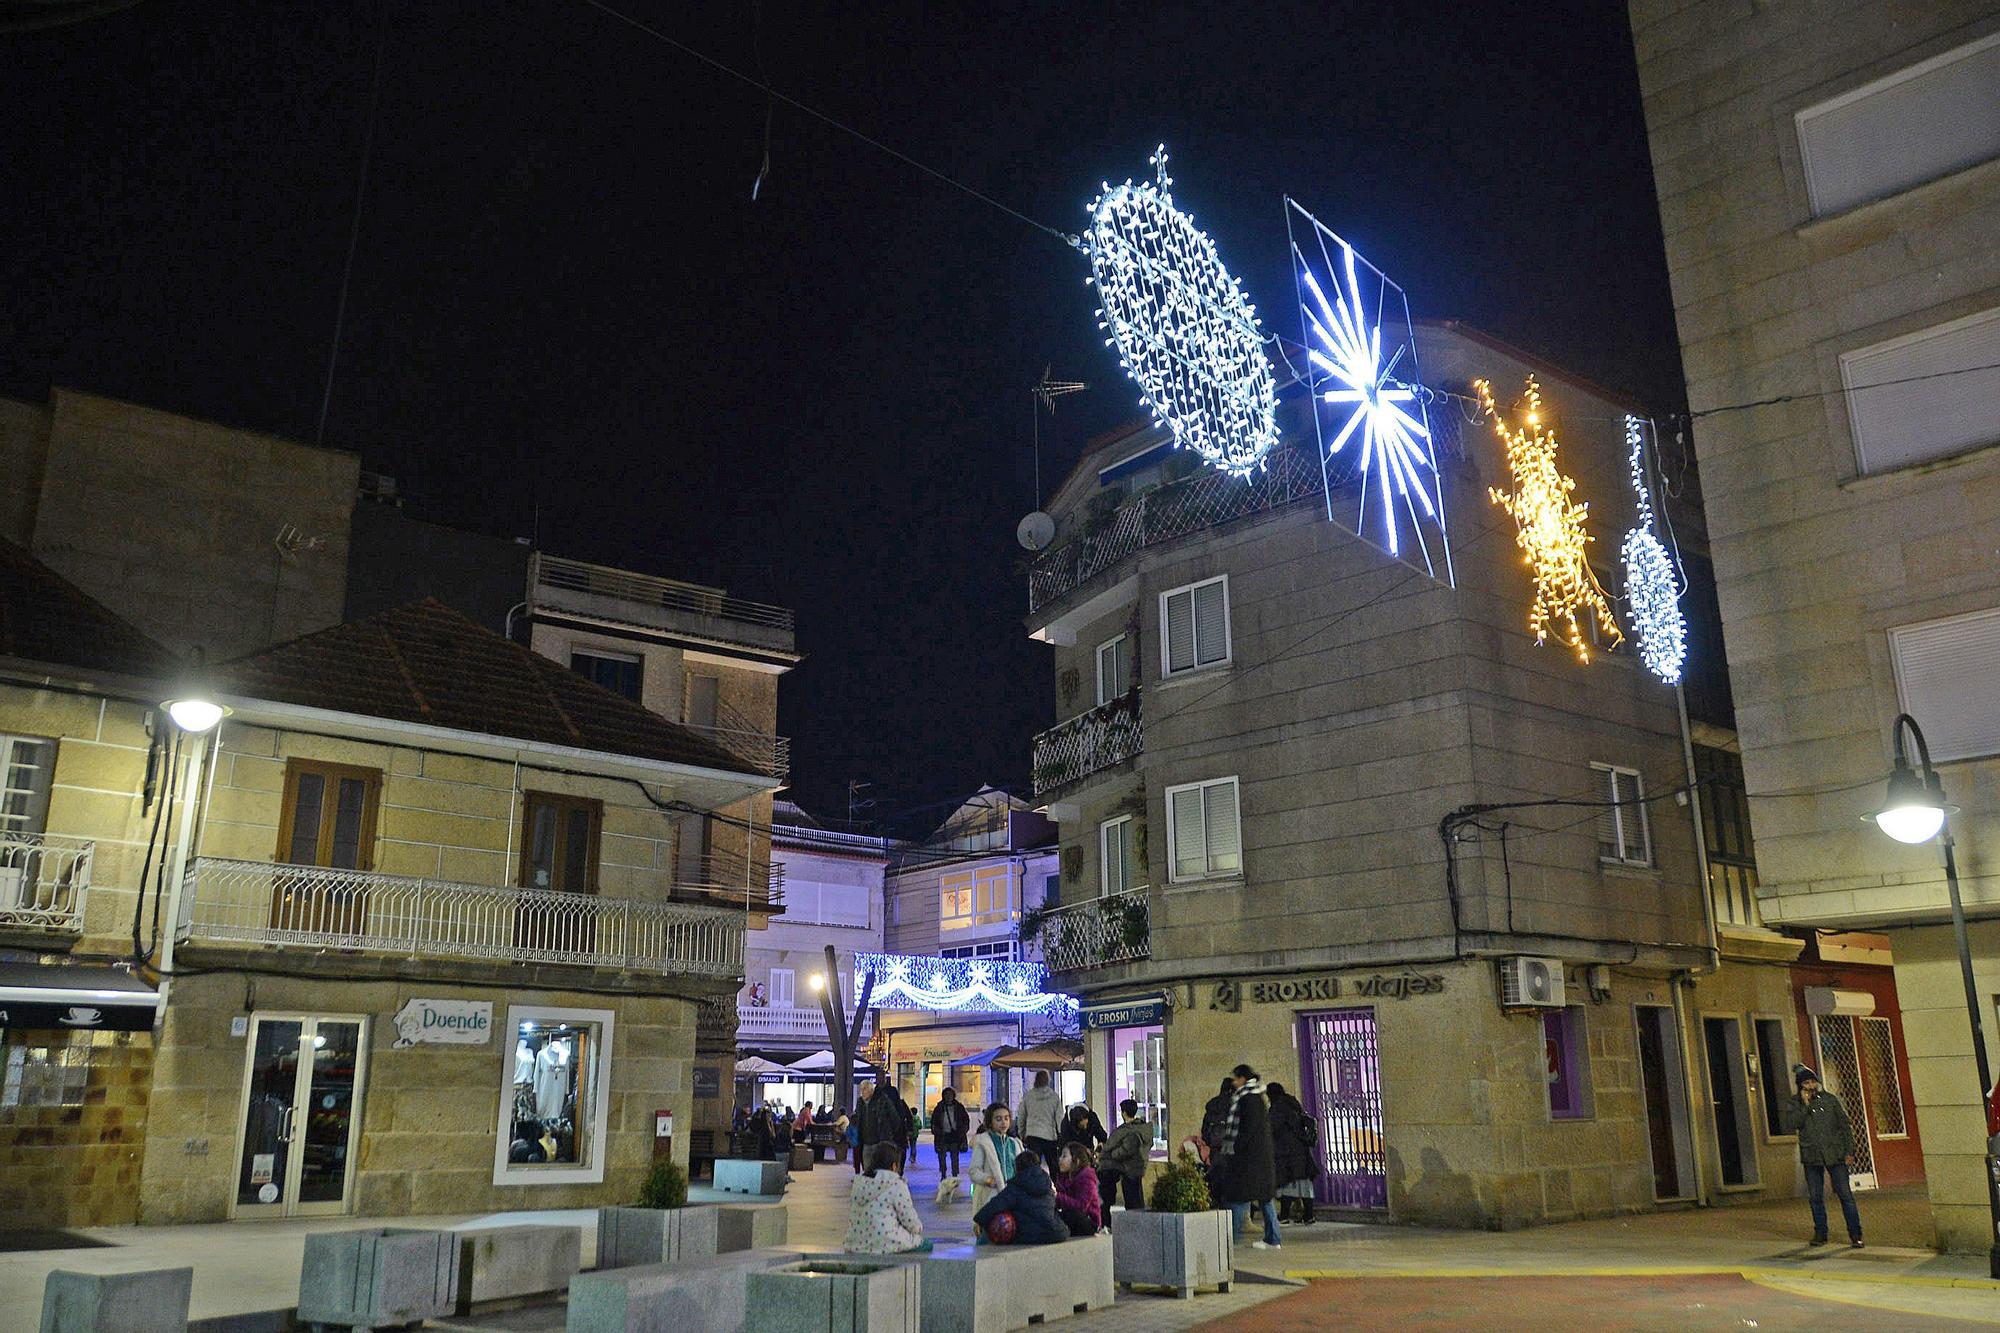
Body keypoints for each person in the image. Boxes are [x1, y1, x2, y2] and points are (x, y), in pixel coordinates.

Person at [1779, 1063, 1863, 1248]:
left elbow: (1844, 1126)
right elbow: (1794, 1123)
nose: (1810, 1086)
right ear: (1800, 1086)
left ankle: (1856, 1234)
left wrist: (1849, 1151)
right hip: (1812, 1155)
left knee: (1845, 1195)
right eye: (1806, 1083)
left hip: (1835, 1153)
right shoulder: (1794, 1104)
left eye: (1812, 1082)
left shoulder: (1830, 1100)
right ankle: (1820, 1233)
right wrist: (1806, 1105)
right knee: (1816, 1196)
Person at [1211, 1064, 1281, 1250]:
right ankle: (1273, 1238)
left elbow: (1246, 1130)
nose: (1234, 1082)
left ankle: (1230, 1240)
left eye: (1236, 1078)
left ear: (1242, 1078)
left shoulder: (1246, 1099)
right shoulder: (1258, 1097)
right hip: (1259, 1158)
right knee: (1264, 1199)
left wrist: (1235, 1150)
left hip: (1248, 1159)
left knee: (1237, 1198)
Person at [846, 1142, 931, 1254]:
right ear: (894, 1166)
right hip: (886, 1243)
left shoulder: (859, 1183)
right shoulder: (896, 1183)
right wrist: (917, 1229)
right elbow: (909, 1219)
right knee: (926, 1244)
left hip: (855, 1244)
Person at [973, 1148, 1068, 1245]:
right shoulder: (1047, 1183)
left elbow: (996, 1204)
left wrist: (979, 1220)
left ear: (1018, 1167)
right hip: (1056, 1233)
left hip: (1030, 1235)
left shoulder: (1017, 1186)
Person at [1265, 1080, 1318, 1226]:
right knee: (1305, 1185)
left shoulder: (1277, 1108)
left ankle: (1284, 1216)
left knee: (1286, 1184)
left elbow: (1272, 1129)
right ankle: (1308, 1215)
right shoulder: (1293, 1103)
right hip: (1302, 1151)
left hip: (1286, 1153)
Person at [969, 1103, 1023, 1230]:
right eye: (998, 1119)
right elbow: (974, 1171)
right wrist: (989, 1180)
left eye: (1006, 1118)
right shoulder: (983, 1143)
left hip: (1011, 1196)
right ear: (990, 1121)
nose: (1003, 1122)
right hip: (990, 1196)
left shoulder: (1014, 1144)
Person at [1099, 1097, 1153, 1214]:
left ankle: (1133, 1222)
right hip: (1139, 1166)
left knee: (1131, 1199)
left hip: (1127, 1168)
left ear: (1124, 1113)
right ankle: (1139, 1219)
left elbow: (1126, 1149)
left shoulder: (1127, 1131)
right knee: (1137, 1196)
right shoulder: (1144, 1129)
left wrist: (1113, 1153)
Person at [1052, 1143, 1102, 1235]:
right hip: (1071, 1215)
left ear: (1077, 1160)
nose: (1060, 1159)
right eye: (1061, 1156)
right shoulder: (1063, 1177)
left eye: (1064, 1156)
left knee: (1072, 1215)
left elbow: (1081, 1206)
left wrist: (1057, 1196)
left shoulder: (1086, 1177)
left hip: (1088, 1221)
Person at [1017, 1071, 1064, 1161]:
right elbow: (1059, 1118)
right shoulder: (1054, 1097)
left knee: (1033, 1164)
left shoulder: (1028, 1096)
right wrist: (1060, 1133)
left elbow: (1021, 1116)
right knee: (1053, 1165)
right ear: (1048, 1081)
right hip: (1050, 1135)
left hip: (1032, 1134)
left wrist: (1022, 1133)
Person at [932, 1086, 971, 1178]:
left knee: (954, 1156)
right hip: (942, 1135)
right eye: (946, 1095)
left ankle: (955, 1174)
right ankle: (943, 1173)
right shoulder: (939, 1107)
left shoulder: (959, 1107)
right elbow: (934, 1121)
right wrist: (936, 1131)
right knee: (942, 1156)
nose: (948, 1097)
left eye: (950, 1095)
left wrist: (963, 1130)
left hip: (955, 1136)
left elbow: (966, 1119)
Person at [1199, 1077, 1235, 1169]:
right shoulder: (1235, 1106)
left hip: (1213, 1150)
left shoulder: (1212, 1106)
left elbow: (1204, 1130)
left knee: (1216, 1176)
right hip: (1230, 1151)